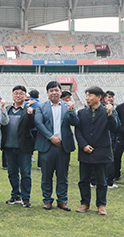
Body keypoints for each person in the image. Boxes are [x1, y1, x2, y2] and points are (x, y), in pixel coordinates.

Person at [34, 81, 79, 211]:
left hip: (63, 147)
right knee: (46, 176)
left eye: (56, 90)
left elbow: (75, 122)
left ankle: (62, 201)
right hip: (47, 146)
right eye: (51, 90)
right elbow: (38, 123)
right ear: (47, 93)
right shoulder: (41, 106)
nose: (54, 92)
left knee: (62, 176)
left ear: (60, 92)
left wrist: (72, 111)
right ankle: (47, 200)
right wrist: (51, 137)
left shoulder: (68, 106)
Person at [75, 86, 118, 215]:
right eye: (86, 95)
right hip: (85, 150)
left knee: (101, 180)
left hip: (101, 151)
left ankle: (101, 205)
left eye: (90, 95)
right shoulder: (82, 112)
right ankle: (85, 203)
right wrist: (83, 145)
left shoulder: (108, 111)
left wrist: (110, 115)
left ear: (99, 97)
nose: (87, 98)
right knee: (84, 180)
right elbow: (78, 130)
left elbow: (115, 128)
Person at [1, 85, 35, 208]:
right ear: (12, 95)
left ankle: (26, 198)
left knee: (25, 173)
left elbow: (32, 126)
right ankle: (15, 195)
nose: (18, 95)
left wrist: (31, 115)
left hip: (24, 147)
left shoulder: (28, 109)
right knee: (12, 173)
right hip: (9, 146)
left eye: (21, 93)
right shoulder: (8, 109)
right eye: (16, 93)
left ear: (25, 96)